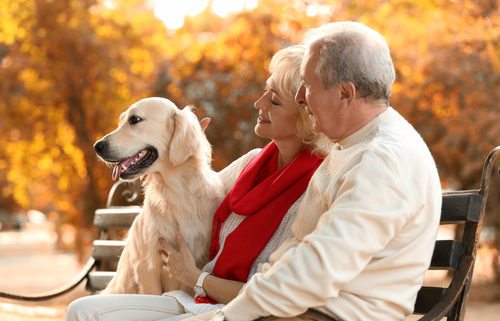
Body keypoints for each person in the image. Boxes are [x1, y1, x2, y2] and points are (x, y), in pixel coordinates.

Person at [187, 21, 442, 321]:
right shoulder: (351, 147)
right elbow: (297, 248)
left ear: (345, 94)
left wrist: (228, 317)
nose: (300, 98)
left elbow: (318, 269)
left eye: (308, 86)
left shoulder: (382, 160)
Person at [65, 44, 328, 321]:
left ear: (305, 116)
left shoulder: (313, 189)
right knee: (81, 310)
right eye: (265, 93)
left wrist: (195, 277)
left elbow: (273, 293)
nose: (258, 104)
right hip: (196, 299)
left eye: (274, 100)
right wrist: (183, 139)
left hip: (235, 307)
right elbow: (197, 191)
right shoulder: (252, 163)